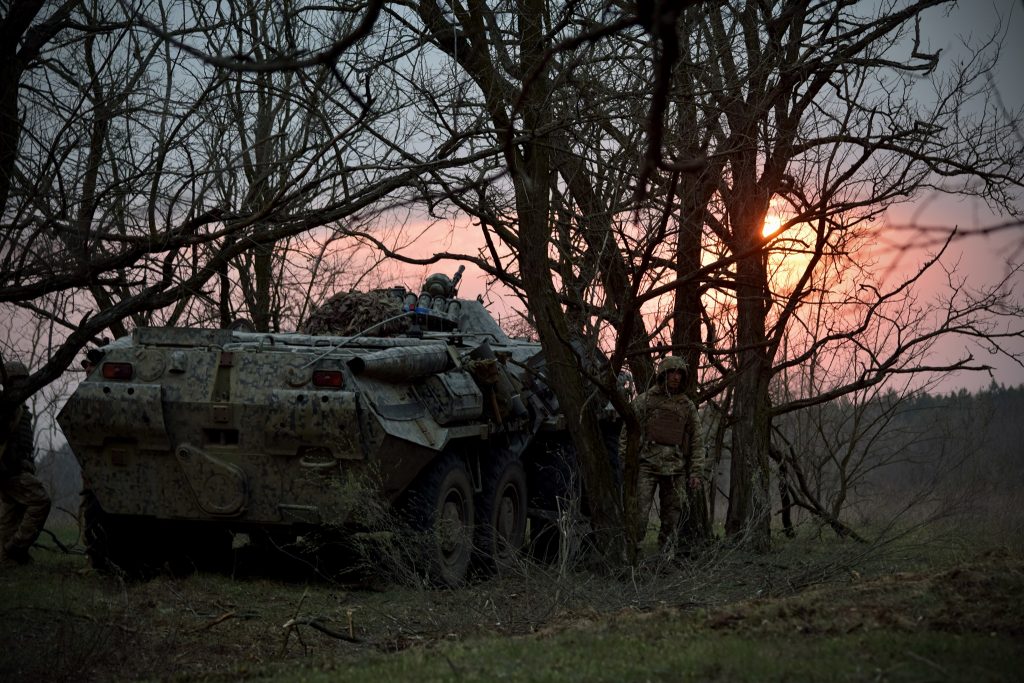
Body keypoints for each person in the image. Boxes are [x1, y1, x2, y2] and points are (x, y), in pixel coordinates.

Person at [622, 356, 705, 556]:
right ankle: (633, 556)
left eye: (679, 374)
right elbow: (627, 433)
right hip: (646, 466)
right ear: (663, 374)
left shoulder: (686, 405)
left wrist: (696, 472)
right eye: (672, 373)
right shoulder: (645, 401)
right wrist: (627, 463)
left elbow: (697, 440)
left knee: (672, 519)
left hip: (675, 468)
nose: (676, 377)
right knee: (639, 515)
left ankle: (665, 558)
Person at [0, 359, 51, 566]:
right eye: (18, 380)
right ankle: (15, 548)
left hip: (14, 470)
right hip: (9, 472)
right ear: (9, 382)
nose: (23, 384)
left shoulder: (18, 407)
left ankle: (7, 559)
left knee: (11, 517)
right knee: (40, 501)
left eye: (24, 380)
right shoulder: (6, 407)